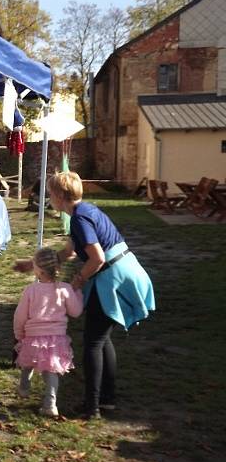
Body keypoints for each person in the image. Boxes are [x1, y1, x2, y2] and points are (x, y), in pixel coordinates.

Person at [15, 171, 155, 419]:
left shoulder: (80, 219)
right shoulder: (83, 212)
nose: (49, 198)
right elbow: (69, 251)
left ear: (59, 195)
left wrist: (76, 282)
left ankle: (92, 407)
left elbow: (97, 258)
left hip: (113, 278)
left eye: (50, 194)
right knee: (103, 339)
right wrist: (32, 263)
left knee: (93, 342)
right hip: (121, 271)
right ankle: (106, 400)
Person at [14, 247, 83, 417]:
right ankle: (50, 404)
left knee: (27, 361)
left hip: (32, 336)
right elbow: (76, 312)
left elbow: (20, 315)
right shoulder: (65, 289)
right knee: (51, 371)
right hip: (56, 339)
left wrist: (18, 334)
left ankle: (24, 387)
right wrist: (77, 291)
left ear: (39, 270)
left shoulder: (30, 290)